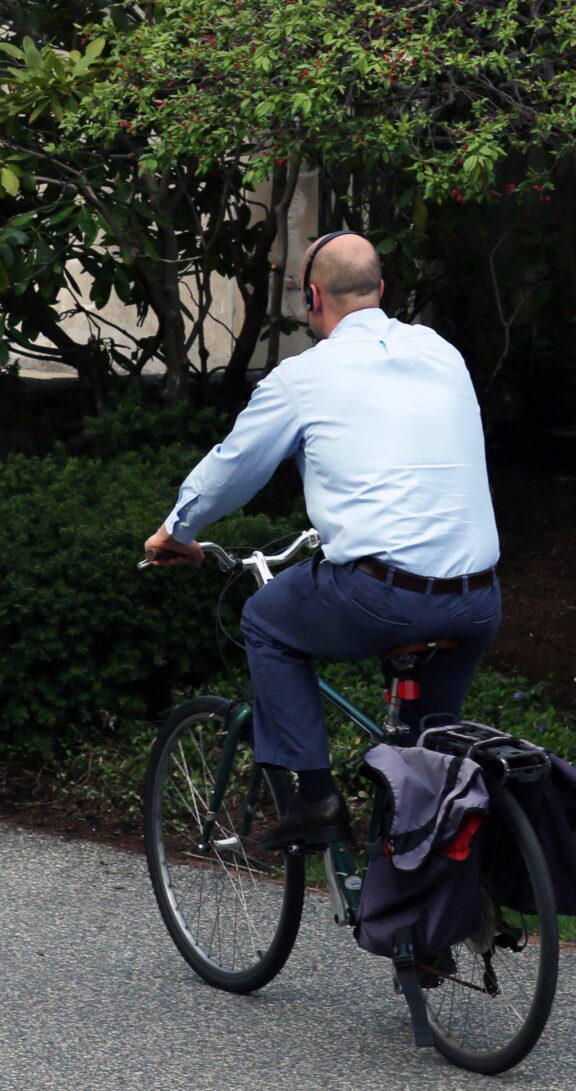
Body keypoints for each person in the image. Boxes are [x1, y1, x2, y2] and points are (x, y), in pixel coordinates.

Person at [142, 230, 501, 849]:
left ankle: (315, 797)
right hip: (478, 600)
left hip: (386, 596)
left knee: (266, 620)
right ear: (381, 290)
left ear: (313, 296)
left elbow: (234, 467)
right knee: (424, 766)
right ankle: (420, 928)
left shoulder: (304, 376)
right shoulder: (443, 353)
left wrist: (176, 530)